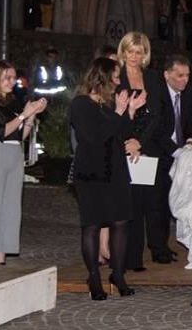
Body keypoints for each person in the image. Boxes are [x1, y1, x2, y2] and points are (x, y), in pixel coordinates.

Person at [71, 57, 145, 300]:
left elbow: (121, 134)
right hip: (91, 173)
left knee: (121, 222)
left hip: (116, 170)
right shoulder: (81, 104)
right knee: (92, 225)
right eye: (114, 77)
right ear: (102, 78)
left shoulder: (109, 105)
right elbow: (95, 137)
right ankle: (94, 277)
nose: (117, 81)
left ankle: (118, 274)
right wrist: (119, 112)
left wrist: (129, 111)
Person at [115, 31, 170, 271]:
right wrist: (128, 141)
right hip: (123, 144)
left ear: (145, 54)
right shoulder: (115, 76)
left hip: (149, 145)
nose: (134, 56)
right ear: (123, 51)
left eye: (139, 52)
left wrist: (140, 142)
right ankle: (131, 258)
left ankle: (158, 249)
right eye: (130, 51)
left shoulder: (152, 78)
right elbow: (112, 112)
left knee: (154, 202)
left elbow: (159, 114)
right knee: (130, 205)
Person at [0, 60, 47, 266]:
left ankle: (1, 254)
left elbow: (19, 135)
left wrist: (31, 116)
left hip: (14, 153)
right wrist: (24, 114)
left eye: (14, 78)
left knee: (11, 204)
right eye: (7, 77)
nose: (12, 81)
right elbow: (0, 131)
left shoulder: (13, 102)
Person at [158, 53, 192, 254]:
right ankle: (160, 247)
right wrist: (175, 152)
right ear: (167, 75)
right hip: (162, 153)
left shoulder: (190, 92)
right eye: (180, 75)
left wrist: (191, 142)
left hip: (184, 152)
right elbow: (156, 129)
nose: (184, 80)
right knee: (160, 203)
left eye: (187, 75)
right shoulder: (158, 93)